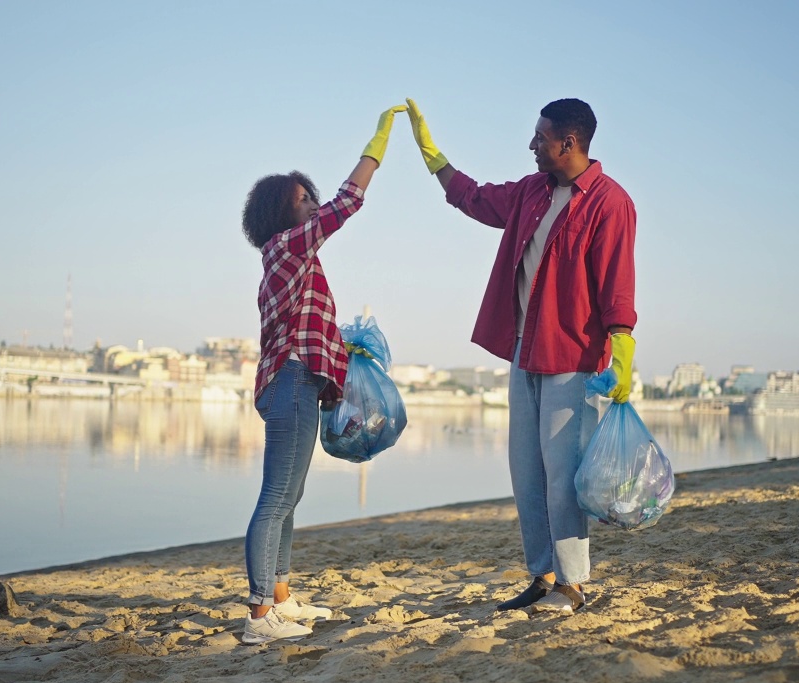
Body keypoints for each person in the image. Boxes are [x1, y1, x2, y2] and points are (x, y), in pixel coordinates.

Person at [403, 98, 637, 615]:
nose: (532, 145)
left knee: (563, 478)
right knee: (527, 475)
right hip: (524, 353)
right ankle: (543, 574)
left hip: (573, 360)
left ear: (568, 143)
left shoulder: (609, 202)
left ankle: (573, 585)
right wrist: (430, 152)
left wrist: (622, 348)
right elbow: (474, 198)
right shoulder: (532, 192)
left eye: (540, 137)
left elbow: (617, 284)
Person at [240, 104, 407, 644]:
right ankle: (260, 615)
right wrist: (376, 148)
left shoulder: (293, 259)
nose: (313, 206)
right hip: (289, 383)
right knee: (275, 499)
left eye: (311, 197)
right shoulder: (287, 247)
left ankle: (280, 599)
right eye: (303, 200)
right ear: (280, 214)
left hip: (294, 383)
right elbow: (348, 202)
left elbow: (312, 329)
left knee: (288, 496)